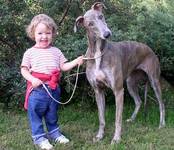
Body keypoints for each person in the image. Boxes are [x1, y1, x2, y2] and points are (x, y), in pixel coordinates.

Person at [21, 14, 84, 150]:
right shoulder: (29, 53)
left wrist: (76, 62)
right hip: (37, 90)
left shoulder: (56, 51)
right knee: (36, 115)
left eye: (48, 33)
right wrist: (32, 79)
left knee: (52, 113)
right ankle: (39, 138)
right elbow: (24, 70)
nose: (44, 36)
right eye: (40, 33)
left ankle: (54, 133)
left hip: (54, 88)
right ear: (33, 34)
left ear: (53, 34)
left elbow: (63, 66)